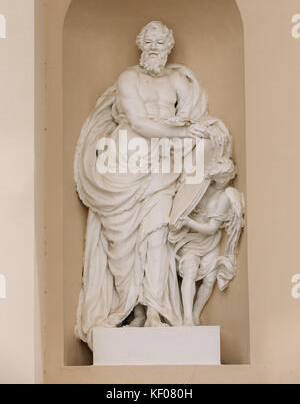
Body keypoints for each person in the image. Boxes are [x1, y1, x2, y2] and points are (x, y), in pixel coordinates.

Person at [74, 21, 210, 346]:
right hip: (127, 161)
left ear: (168, 47)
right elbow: (137, 121)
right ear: (140, 45)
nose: (153, 47)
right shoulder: (128, 78)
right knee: (123, 242)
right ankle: (130, 309)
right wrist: (180, 131)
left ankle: (155, 311)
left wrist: (192, 136)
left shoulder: (179, 80)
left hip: (164, 164)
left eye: (160, 42)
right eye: (148, 41)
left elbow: (194, 119)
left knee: (157, 233)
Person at [170, 158, 245, 326]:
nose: (225, 180)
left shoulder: (225, 196)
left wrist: (188, 222)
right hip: (189, 239)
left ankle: (195, 314)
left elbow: (211, 228)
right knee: (190, 270)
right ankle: (187, 317)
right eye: (221, 176)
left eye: (227, 176)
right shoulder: (200, 187)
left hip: (209, 240)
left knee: (210, 278)